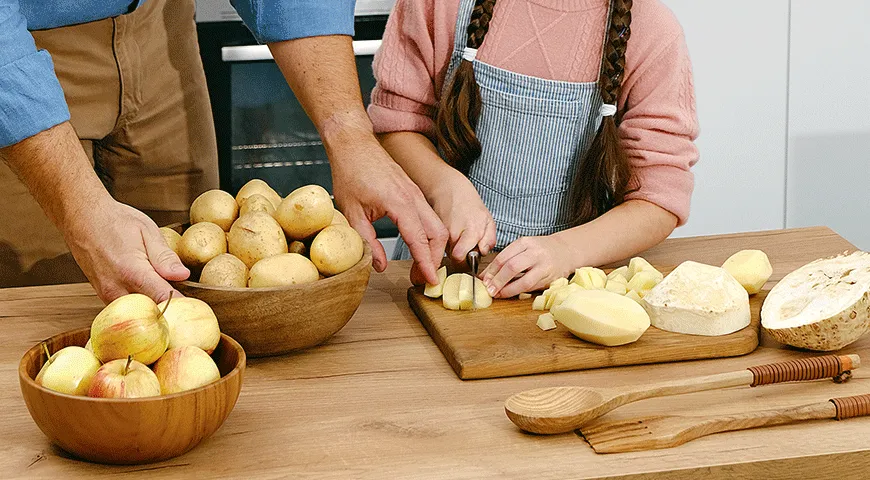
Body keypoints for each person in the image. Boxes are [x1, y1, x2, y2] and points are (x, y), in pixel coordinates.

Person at [0, 0, 447, 303]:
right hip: (17, 47)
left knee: (194, 289)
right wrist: (78, 207)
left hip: (160, 26)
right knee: (45, 309)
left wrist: (349, 132)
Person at [369, 0, 699, 298]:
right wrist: (445, 186)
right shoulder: (442, 5)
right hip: (429, 275)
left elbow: (658, 201)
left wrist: (566, 250)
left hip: (565, 295)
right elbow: (396, 126)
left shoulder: (651, 29)